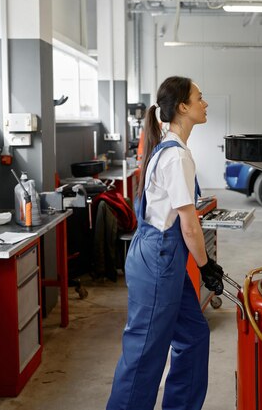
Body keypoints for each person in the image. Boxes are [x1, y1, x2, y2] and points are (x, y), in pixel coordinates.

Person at [106, 76, 225, 410]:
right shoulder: (177, 157)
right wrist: (206, 266)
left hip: (161, 257)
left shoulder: (172, 149)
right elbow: (189, 226)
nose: (205, 103)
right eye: (200, 98)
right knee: (145, 353)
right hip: (158, 259)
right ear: (183, 107)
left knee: (194, 335)